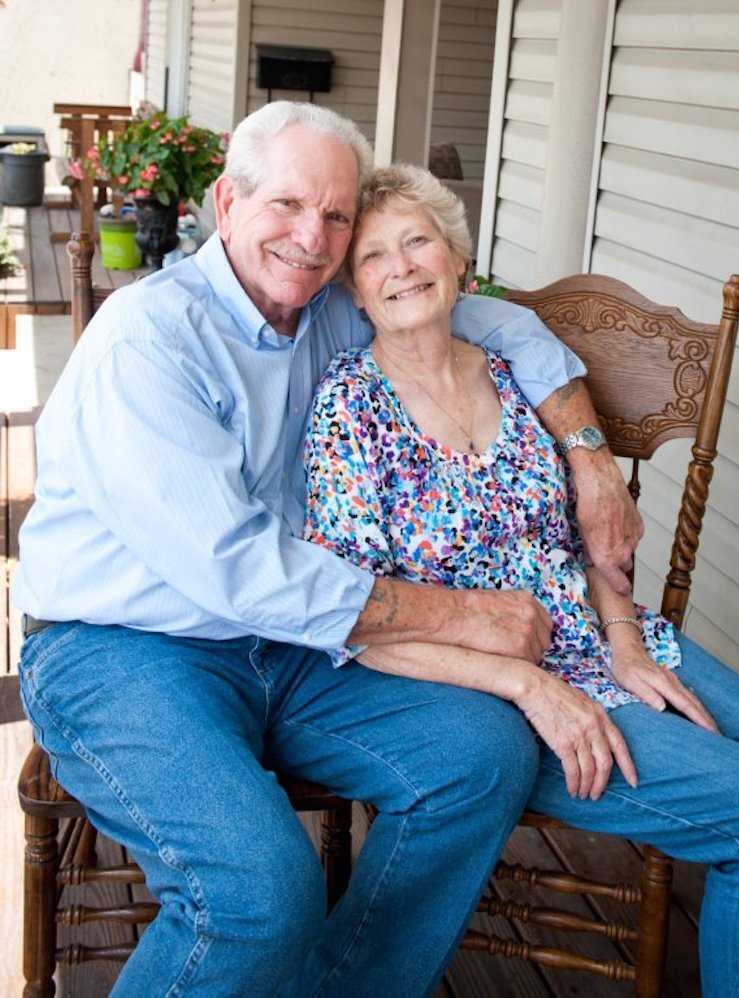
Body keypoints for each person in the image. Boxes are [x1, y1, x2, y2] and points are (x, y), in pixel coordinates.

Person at [15, 101, 642, 997]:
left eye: (338, 217)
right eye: (287, 206)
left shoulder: (323, 314)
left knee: (479, 758)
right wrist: (469, 617)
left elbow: (493, 326)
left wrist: (588, 457)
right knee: (259, 893)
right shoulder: (149, 339)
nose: (313, 238)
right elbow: (238, 568)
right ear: (227, 203)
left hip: (286, 645)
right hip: (123, 650)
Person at [303, 162, 739, 996]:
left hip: (611, 639)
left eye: (418, 242)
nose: (401, 267)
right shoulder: (349, 410)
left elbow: (586, 541)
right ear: (353, 293)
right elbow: (356, 621)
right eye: (372, 257)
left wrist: (624, 640)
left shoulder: (513, 378)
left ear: (457, 261)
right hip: (499, 697)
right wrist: (527, 687)